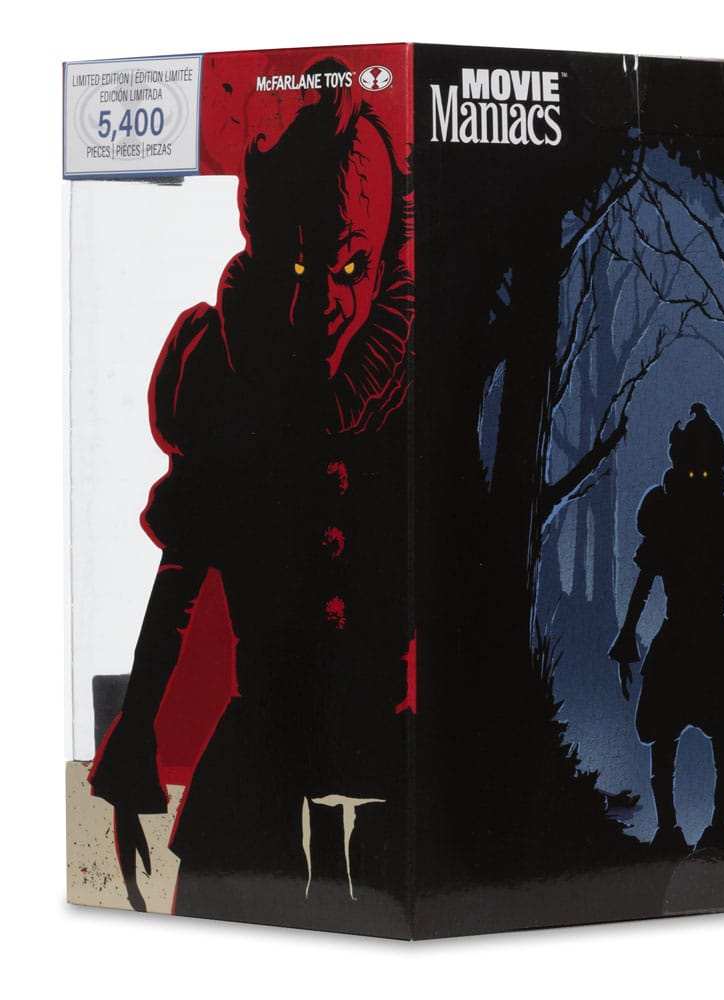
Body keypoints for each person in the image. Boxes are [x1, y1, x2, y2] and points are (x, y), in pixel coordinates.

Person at [89, 61, 414, 928]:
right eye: (298, 263)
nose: (323, 304)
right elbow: (180, 581)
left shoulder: (417, 395)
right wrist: (133, 745)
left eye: (350, 266)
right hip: (259, 761)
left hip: (390, 762)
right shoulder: (223, 385)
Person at [609, 403, 724, 855]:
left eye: (705, 470)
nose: (699, 478)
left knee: (723, 737)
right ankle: (668, 828)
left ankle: (717, 826)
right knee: (665, 739)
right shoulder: (666, 515)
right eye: (692, 469)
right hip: (680, 635)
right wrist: (625, 635)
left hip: (708, 638)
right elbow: (645, 581)